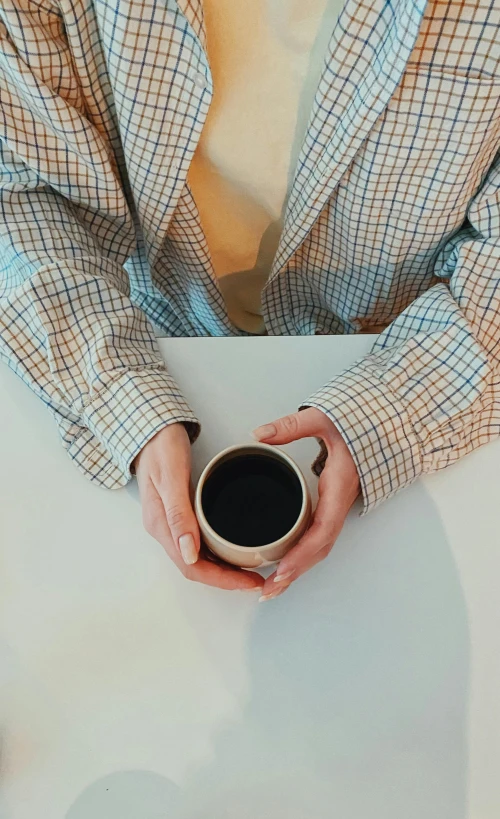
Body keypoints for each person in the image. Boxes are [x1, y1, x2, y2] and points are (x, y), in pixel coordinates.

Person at [0, 0, 499, 601]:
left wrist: (392, 410)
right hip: (157, 331)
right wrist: (125, 401)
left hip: (402, 341)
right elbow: (21, 189)